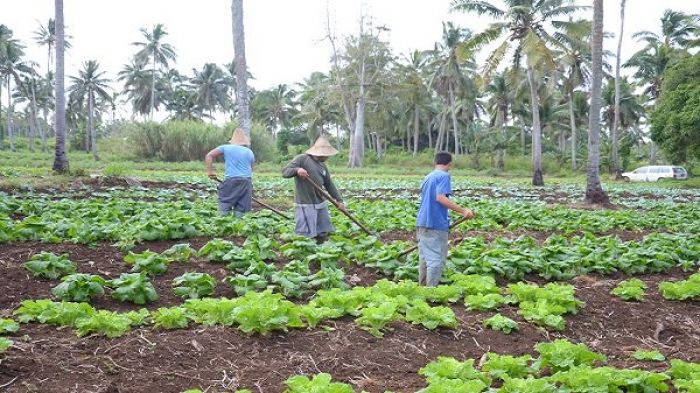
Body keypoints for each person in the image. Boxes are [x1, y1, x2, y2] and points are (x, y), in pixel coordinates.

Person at [416, 152, 474, 287]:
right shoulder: (444, 176)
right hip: (435, 223)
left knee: (425, 259)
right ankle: (431, 293)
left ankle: (422, 290)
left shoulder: (428, 177)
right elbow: (440, 198)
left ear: (435, 162)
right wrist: (463, 211)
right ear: (450, 164)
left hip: (422, 222)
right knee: (436, 260)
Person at [282, 136, 346, 244]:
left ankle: (321, 251)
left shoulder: (323, 166)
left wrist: (339, 200)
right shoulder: (302, 159)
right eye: (326, 154)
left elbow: (329, 184)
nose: (327, 157)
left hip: (320, 202)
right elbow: (285, 172)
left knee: (323, 232)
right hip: (305, 202)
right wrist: (297, 170)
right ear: (319, 153)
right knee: (305, 235)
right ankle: (305, 255)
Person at [205, 128, 255, 217]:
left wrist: (210, 171)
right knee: (242, 207)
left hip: (231, 180)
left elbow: (209, 155)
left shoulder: (225, 148)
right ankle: (238, 228)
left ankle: (223, 223)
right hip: (246, 181)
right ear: (244, 142)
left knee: (225, 201)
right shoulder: (249, 152)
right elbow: (251, 168)